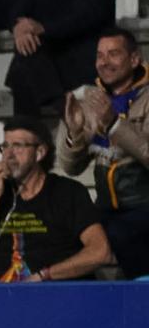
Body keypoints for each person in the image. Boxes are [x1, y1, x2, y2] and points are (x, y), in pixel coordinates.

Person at [0, 117, 112, 283]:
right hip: (5, 296)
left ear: (40, 153)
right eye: (5, 146)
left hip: (55, 293)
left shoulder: (67, 192)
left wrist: (45, 275)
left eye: (17, 146)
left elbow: (100, 252)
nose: (8, 155)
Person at [58, 27, 149, 278]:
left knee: (122, 236)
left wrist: (115, 125)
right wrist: (74, 134)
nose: (104, 62)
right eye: (100, 55)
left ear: (134, 59)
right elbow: (70, 168)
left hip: (143, 207)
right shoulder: (89, 99)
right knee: (66, 242)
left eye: (113, 54)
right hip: (106, 210)